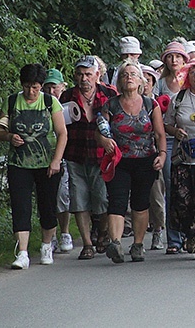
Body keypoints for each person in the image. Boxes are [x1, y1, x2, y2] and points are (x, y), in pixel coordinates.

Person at [0, 63, 67, 269]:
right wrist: (9, 136)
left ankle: (46, 245)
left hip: (46, 163)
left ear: (41, 86)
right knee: (20, 206)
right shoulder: (12, 102)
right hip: (19, 163)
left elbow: (62, 133)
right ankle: (23, 252)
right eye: (27, 86)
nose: (31, 91)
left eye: (35, 87)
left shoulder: (50, 103)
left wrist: (56, 160)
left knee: (48, 206)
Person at [97, 60, 167, 263]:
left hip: (145, 160)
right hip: (119, 160)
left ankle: (137, 245)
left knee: (140, 203)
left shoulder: (150, 104)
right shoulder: (110, 105)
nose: (129, 77)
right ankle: (116, 244)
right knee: (117, 201)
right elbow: (99, 131)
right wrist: (104, 140)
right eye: (125, 75)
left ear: (141, 81)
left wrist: (162, 155)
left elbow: (160, 133)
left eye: (133, 75)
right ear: (119, 81)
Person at [59, 55, 118, 260]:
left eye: (88, 74)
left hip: (101, 155)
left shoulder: (110, 95)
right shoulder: (66, 97)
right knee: (79, 199)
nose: (84, 79)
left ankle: (102, 231)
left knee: (101, 198)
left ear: (97, 75)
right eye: (80, 74)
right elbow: (59, 128)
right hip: (75, 155)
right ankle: (87, 244)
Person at [163, 59, 195, 259]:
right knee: (183, 202)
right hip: (184, 157)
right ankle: (188, 234)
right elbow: (167, 124)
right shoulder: (179, 98)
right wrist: (176, 131)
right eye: (193, 72)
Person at [153, 41, 189, 254]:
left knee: (189, 188)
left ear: (185, 59)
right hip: (168, 139)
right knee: (171, 187)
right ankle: (173, 239)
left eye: (178, 56)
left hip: (190, 140)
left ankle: (189, 234)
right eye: (170, 56)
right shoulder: (160, 83)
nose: (174, 60)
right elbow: (156, 113)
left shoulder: (192, 80)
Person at [42, 68, 73, 253]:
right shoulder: (40, 104)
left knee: (63, 195)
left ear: (62, 86)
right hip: (44, 156)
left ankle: (65, 232)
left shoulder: (69, 104)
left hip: (66, 157)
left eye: (54, 87)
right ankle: (50, 235)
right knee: (47, 197)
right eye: (47, 88)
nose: (51, 92)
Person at [141, 64, 166, 250]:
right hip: (133, 155)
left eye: (148, 81)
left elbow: (160, 133)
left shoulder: (155, 104)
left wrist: (162, 153)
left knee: (156, 194)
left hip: (153, 153)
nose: (144, 84)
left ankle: (158, 229)